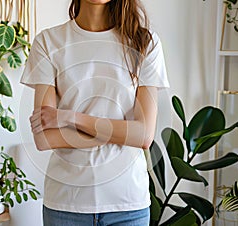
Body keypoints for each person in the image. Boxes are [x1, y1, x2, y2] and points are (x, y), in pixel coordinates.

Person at [20, 0, 169, 225]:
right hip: (65, 204)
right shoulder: (48, 42)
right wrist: (121, 133)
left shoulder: (145, 43)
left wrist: (70, 117)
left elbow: (144, 135)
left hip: (127, 204)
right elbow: (44, 137)